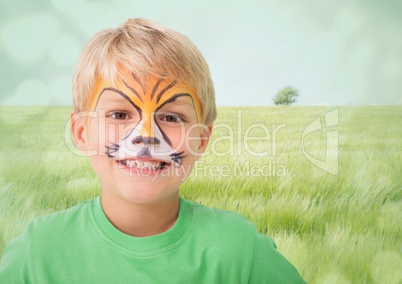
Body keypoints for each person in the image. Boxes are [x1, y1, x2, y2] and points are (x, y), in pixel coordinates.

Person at [0, 18, 305, 283]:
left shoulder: (241, 251)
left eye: (171, 117)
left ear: (201, 139)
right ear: (81, 132)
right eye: (119, 115)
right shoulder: (38, 252)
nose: (146, 135)